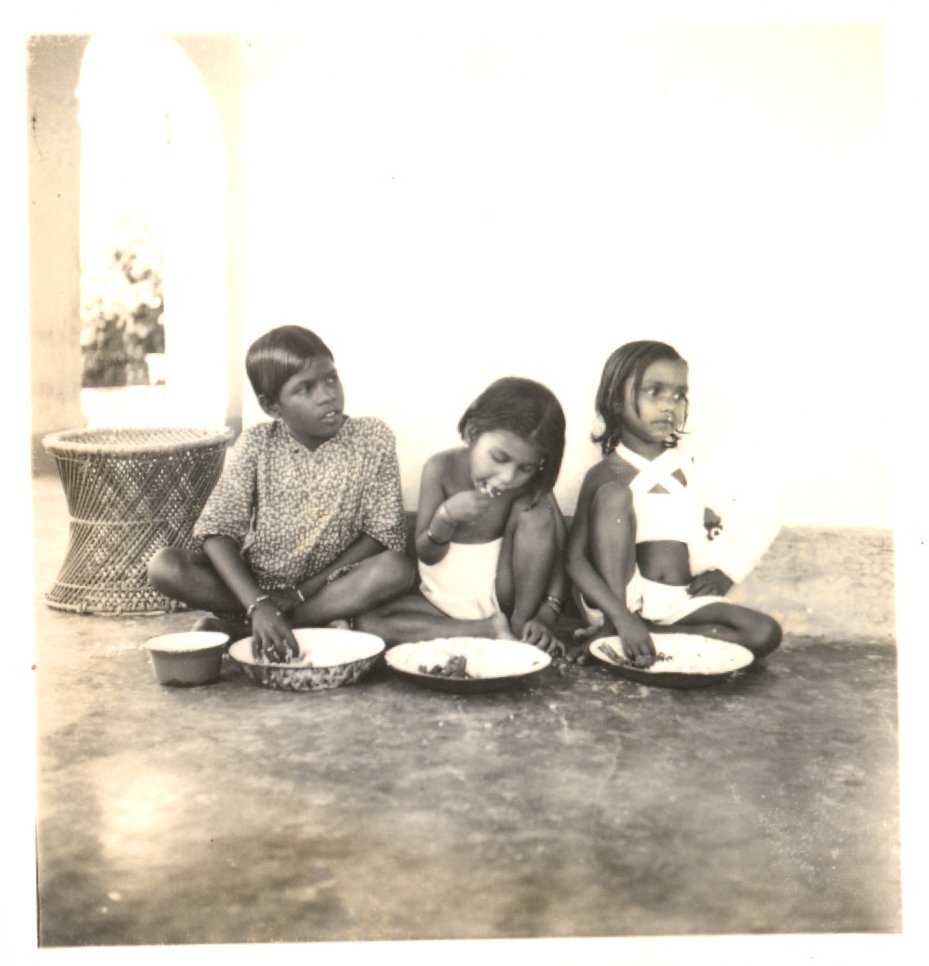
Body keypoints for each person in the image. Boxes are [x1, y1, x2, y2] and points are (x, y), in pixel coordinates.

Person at [147, 325, 416, 662]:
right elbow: (217, 531)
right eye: (305, 388)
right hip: (256, 585)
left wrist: (301, 593)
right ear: (272, 406)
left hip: (330, 586)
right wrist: (257, 602)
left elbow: (381, 535)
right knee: (166, 566)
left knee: (396, 568)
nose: (327, 395)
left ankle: (252, 629)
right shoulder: (258, 443)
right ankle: (272, 619)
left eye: (331, 379)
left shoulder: (372, 437)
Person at [566, 340, 782, 665]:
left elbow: (753, 512)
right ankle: (618, 627)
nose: (669, 405)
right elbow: (575, 560)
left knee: (764, 632)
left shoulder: (691, 466)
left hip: (677, 602)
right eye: (654, 392)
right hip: (620, 599)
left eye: (679, 395)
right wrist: (621, 614)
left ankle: (647, 636)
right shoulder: (605, 473)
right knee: (614, 496)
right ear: (614, 399)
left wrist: (725, 571)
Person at [356, 377, 568, 655]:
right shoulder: (440, 468)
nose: (508, 477)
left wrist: (545, 616)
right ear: (472, 432)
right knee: (368, 623)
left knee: (535, 511)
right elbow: (426, 554)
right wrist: (446, 517)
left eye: (526, 467)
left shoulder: (531, 488)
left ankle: (518, 625)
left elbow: (561, 554)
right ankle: (488, 631)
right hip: (439, 603)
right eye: (499, 458)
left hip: (504, 597)